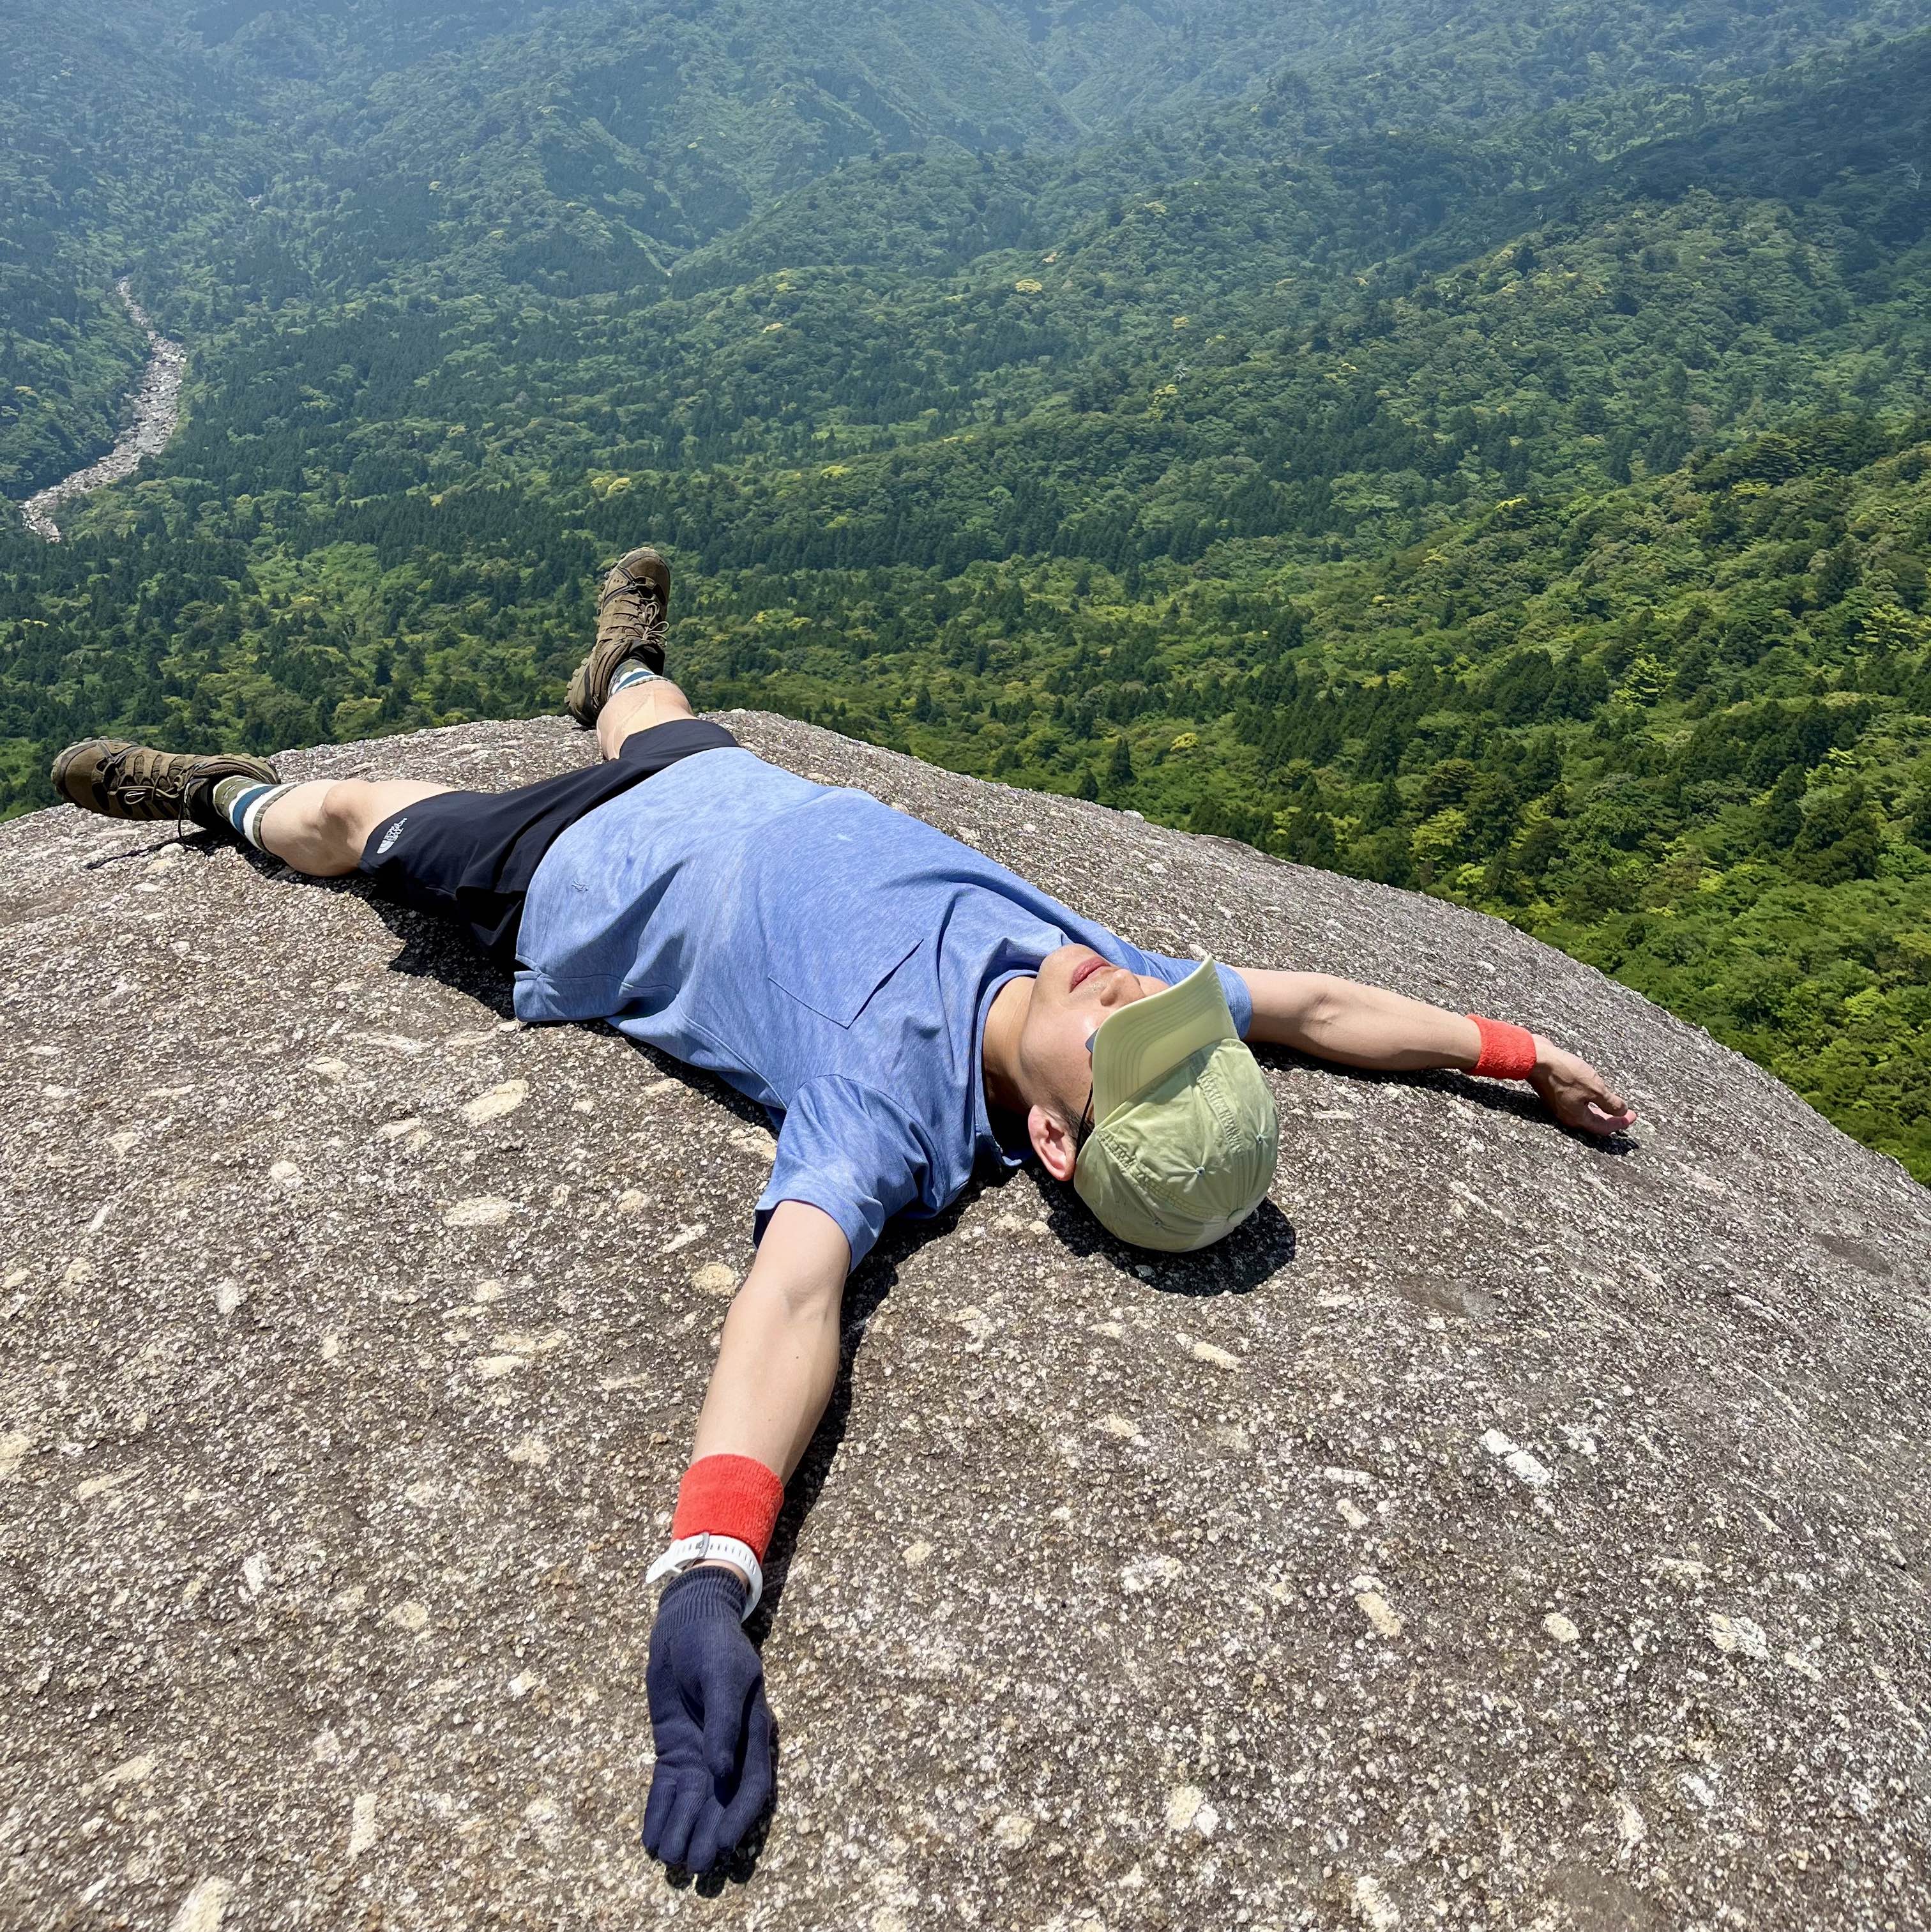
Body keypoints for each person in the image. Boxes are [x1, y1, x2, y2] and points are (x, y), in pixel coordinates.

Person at [50, 544, 1637, 1875]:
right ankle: (615, 668)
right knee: (657, 710)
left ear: (1057, 1144)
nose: (1134, 994)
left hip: (573, 878)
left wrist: (710, 1574)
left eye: (1129, 1044)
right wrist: (1512, 1049)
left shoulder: (892, 1108)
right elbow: (1306, 1001)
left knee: (354, 825)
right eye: (1169, 1014)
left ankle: (213, 797)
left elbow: (793, 1298)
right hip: (731, 784)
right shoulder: (1113, 989)